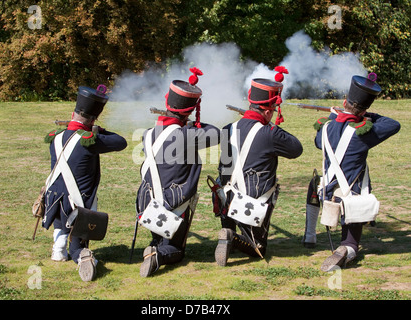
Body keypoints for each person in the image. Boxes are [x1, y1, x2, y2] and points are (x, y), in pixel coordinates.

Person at [302, 74, 401, 271]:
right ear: (364, 109)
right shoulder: (362, 133)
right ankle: (347, 249)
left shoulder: (327, 127)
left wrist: (334, 115)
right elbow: (393, 124)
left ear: (345, 102)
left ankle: (309, 236)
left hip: (327, 194)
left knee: (314, 182)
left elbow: (316, 142)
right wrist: (367, 115)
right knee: (351, 244)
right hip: (351, 200)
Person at [213, 67, 303, 266]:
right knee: (258, 248)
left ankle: (228, 230)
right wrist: (272, 126)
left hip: (226, 200)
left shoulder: (228, 129)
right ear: (269, 109)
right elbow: (296, 149)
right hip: (253, 202)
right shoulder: (270, 133)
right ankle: (230, 236)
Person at [135, 68, 220, 277]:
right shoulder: (185, 135)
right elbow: (216, 133)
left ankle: (155, 244)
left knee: (161, 236)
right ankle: (157, 255)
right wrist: (190, 123)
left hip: (147, 202)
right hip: (173, 203)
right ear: (190, 109)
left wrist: (185, 122)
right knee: (177, 250)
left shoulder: (148, 134)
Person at [42, 85, 127, 281]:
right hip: (77, 200)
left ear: (73, 113)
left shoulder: (56, 137)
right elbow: (120, 142)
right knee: (78, 243)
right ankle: (83, 258)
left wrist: (91, 129)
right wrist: (98, 131)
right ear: (93, 119)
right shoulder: (89, 140)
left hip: (54, 198)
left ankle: (58, 248)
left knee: (60, 210)